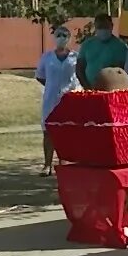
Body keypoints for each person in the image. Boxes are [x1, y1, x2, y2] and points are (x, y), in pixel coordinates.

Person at [36, 23, 79, 175]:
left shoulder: (75, 57)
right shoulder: (47, 57)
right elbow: (40, 76)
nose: (61, 38)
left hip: (70, 98)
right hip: (51, 98)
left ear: (69, 38)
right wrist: (52, 85)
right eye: (59, 35)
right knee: (48, 131)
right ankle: (47, 165)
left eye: (65, 36)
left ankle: (65, 162)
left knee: (68, 131)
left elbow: (79, 75)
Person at [75, 13, 128, 88]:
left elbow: (122, 70)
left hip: (111, 89)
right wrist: (87, 87)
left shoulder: (120, 46)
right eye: (100, 27)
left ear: (111, 26)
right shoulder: (87, 44)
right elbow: (79, 67)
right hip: (89, 89)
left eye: (105, 27)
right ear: (95, 27)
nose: (103, 29)